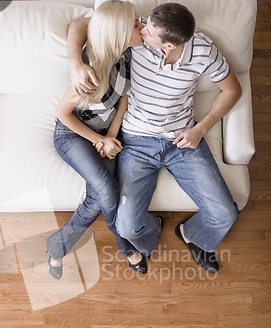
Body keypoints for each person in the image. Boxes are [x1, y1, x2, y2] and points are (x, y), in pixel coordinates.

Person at [68, 2, 242, 274]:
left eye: (147, 30)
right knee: (126, 226)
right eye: (144, 23)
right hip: (137, 141)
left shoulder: (203, 52)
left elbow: (232, 90)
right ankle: (154, 228)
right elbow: (81, 24)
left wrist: (200, 129)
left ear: (169, 45)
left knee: (226, 214)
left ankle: (193, 236)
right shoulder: (137, 35)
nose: (140, 29)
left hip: (182, 140)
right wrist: (75, 63)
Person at [46, 0, 150, 279]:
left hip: (105, 135)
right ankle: (126, 247)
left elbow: (124, 99)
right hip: (74, 134)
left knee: (98, 198)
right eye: (136, 24)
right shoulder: (91, 70)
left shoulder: (125, 54)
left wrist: (112, 135)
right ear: (118, 32)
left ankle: (57, 245)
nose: (142, 27)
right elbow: (63, 114)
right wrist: (98, 140)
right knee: (108, 191)